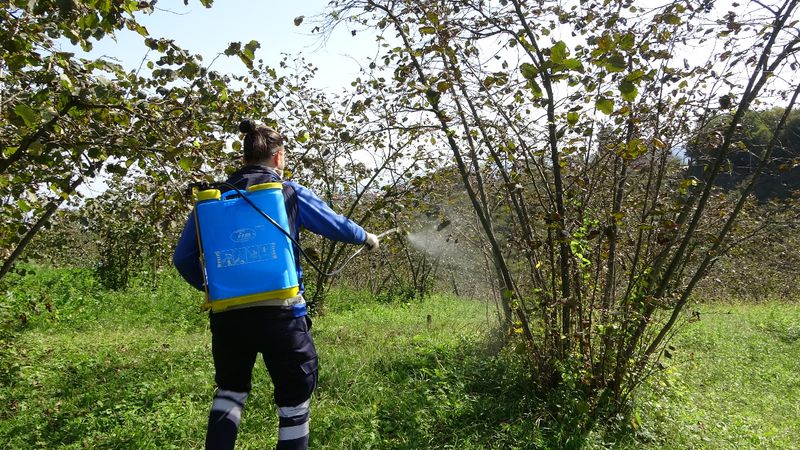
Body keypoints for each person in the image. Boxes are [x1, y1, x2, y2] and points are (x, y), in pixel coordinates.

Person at [173, 119, 379, 450]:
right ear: (279, 157)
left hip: (228, 318)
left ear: (243, 159)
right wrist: (366, 237)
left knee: (231, 392)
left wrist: (216, 287)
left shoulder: (211, 204)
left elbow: (183, 259)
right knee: (294, 402)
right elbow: (336, 225)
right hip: (283, 316)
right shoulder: (288, 193)